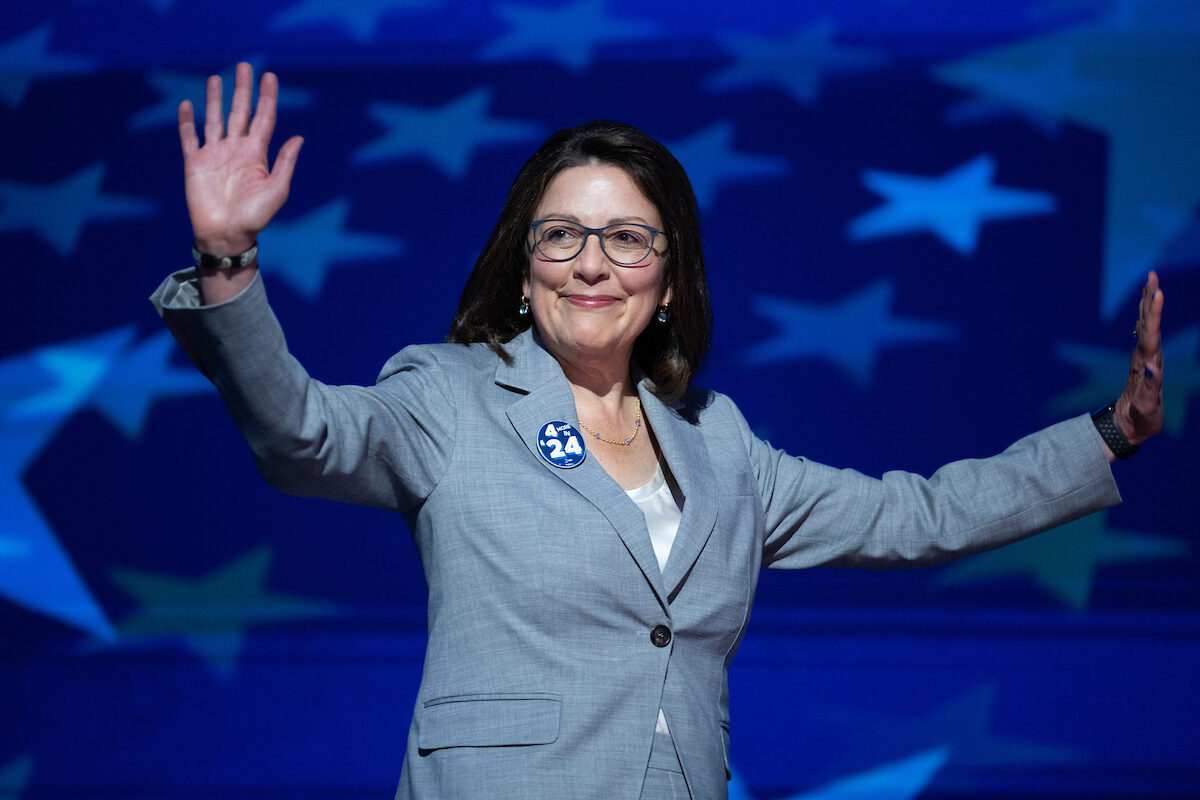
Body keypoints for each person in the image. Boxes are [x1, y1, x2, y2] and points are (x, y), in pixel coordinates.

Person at [151, 63, 1165, 800]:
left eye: (627, 237)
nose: (591, 262)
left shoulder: (719, 440)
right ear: (523, 262)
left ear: (670, 278)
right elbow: (298, 432)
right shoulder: (447, 396)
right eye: (561, 234)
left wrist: (1107, 434)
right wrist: (227, 260)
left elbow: (920, 513)